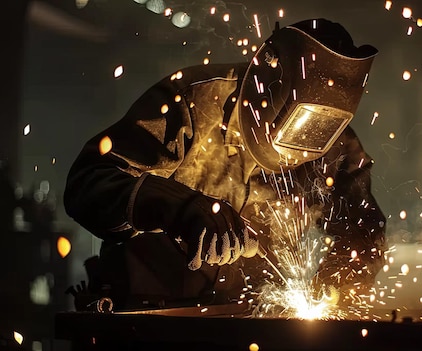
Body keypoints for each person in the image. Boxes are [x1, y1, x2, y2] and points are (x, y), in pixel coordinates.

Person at [64, 18, 387, 312]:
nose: (304, 142)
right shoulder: (191, 101)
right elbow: (89, 182)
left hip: (249, 320)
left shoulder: (333, 141)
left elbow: (362, 229)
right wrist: (181, 207)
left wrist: (335, 289)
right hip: (149, 313)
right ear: (270, 72)